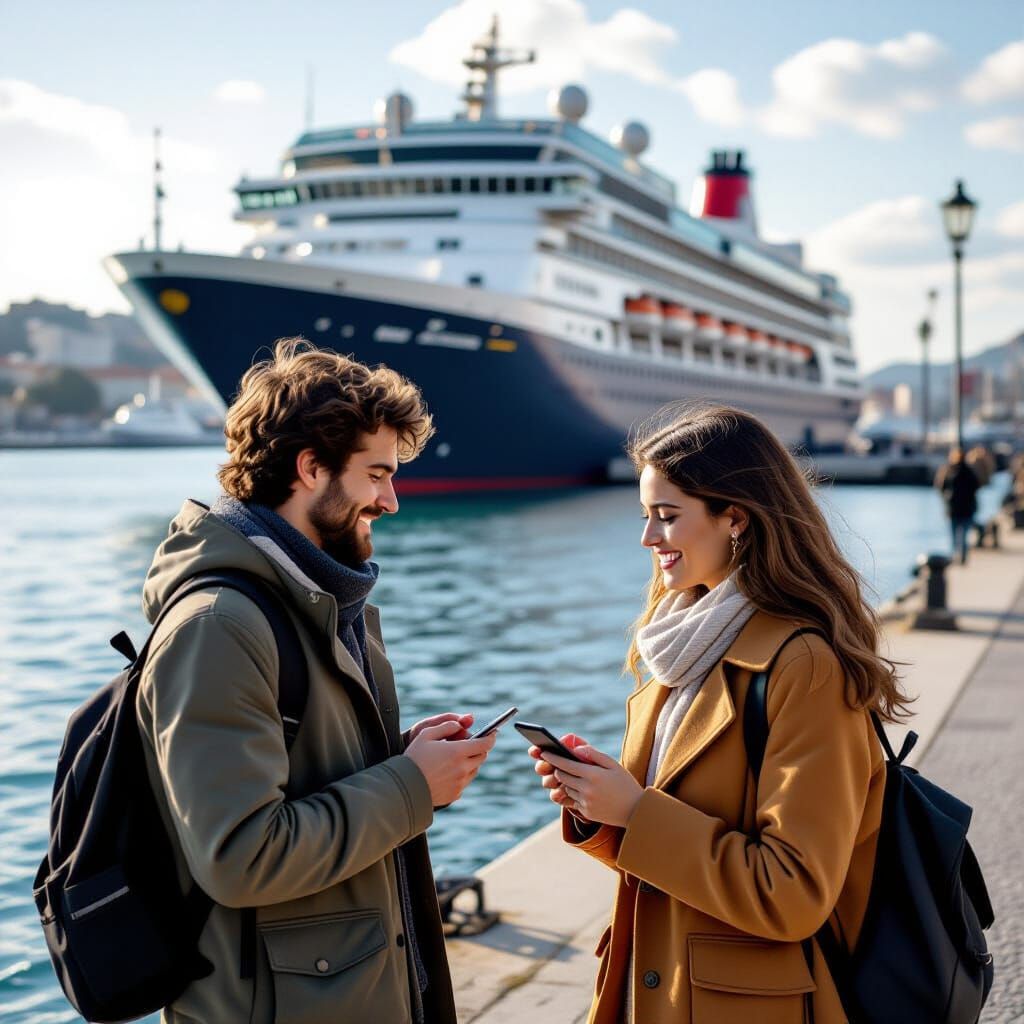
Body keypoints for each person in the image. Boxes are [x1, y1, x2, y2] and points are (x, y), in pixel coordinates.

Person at [136, 338, 495, 1023]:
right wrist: (410, 785)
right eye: (377, 474)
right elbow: (242, 857)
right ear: (309, 467)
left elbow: (308, 778)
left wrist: (402, 761)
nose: (392, 499)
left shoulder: (325, 602)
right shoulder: (219, 625)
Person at [529, 404, 907, 1024]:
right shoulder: (682, 645)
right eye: (645, 515)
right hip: (660, 990)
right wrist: (600, 811)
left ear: (735, 516)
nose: (648, 538)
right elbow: (669, 848)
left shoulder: (804, 666)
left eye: (667, 516)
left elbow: (793, 893)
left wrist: (634, 811)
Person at [934, 448, 982, 564]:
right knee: (963, 535)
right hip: (966, 509)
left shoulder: (948, 471)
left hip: (954, 509)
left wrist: (946, 498)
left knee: (955, 536)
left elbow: (940, 486)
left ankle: (956, 556)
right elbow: (977, 486)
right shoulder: (970, 471)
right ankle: (962, 556)